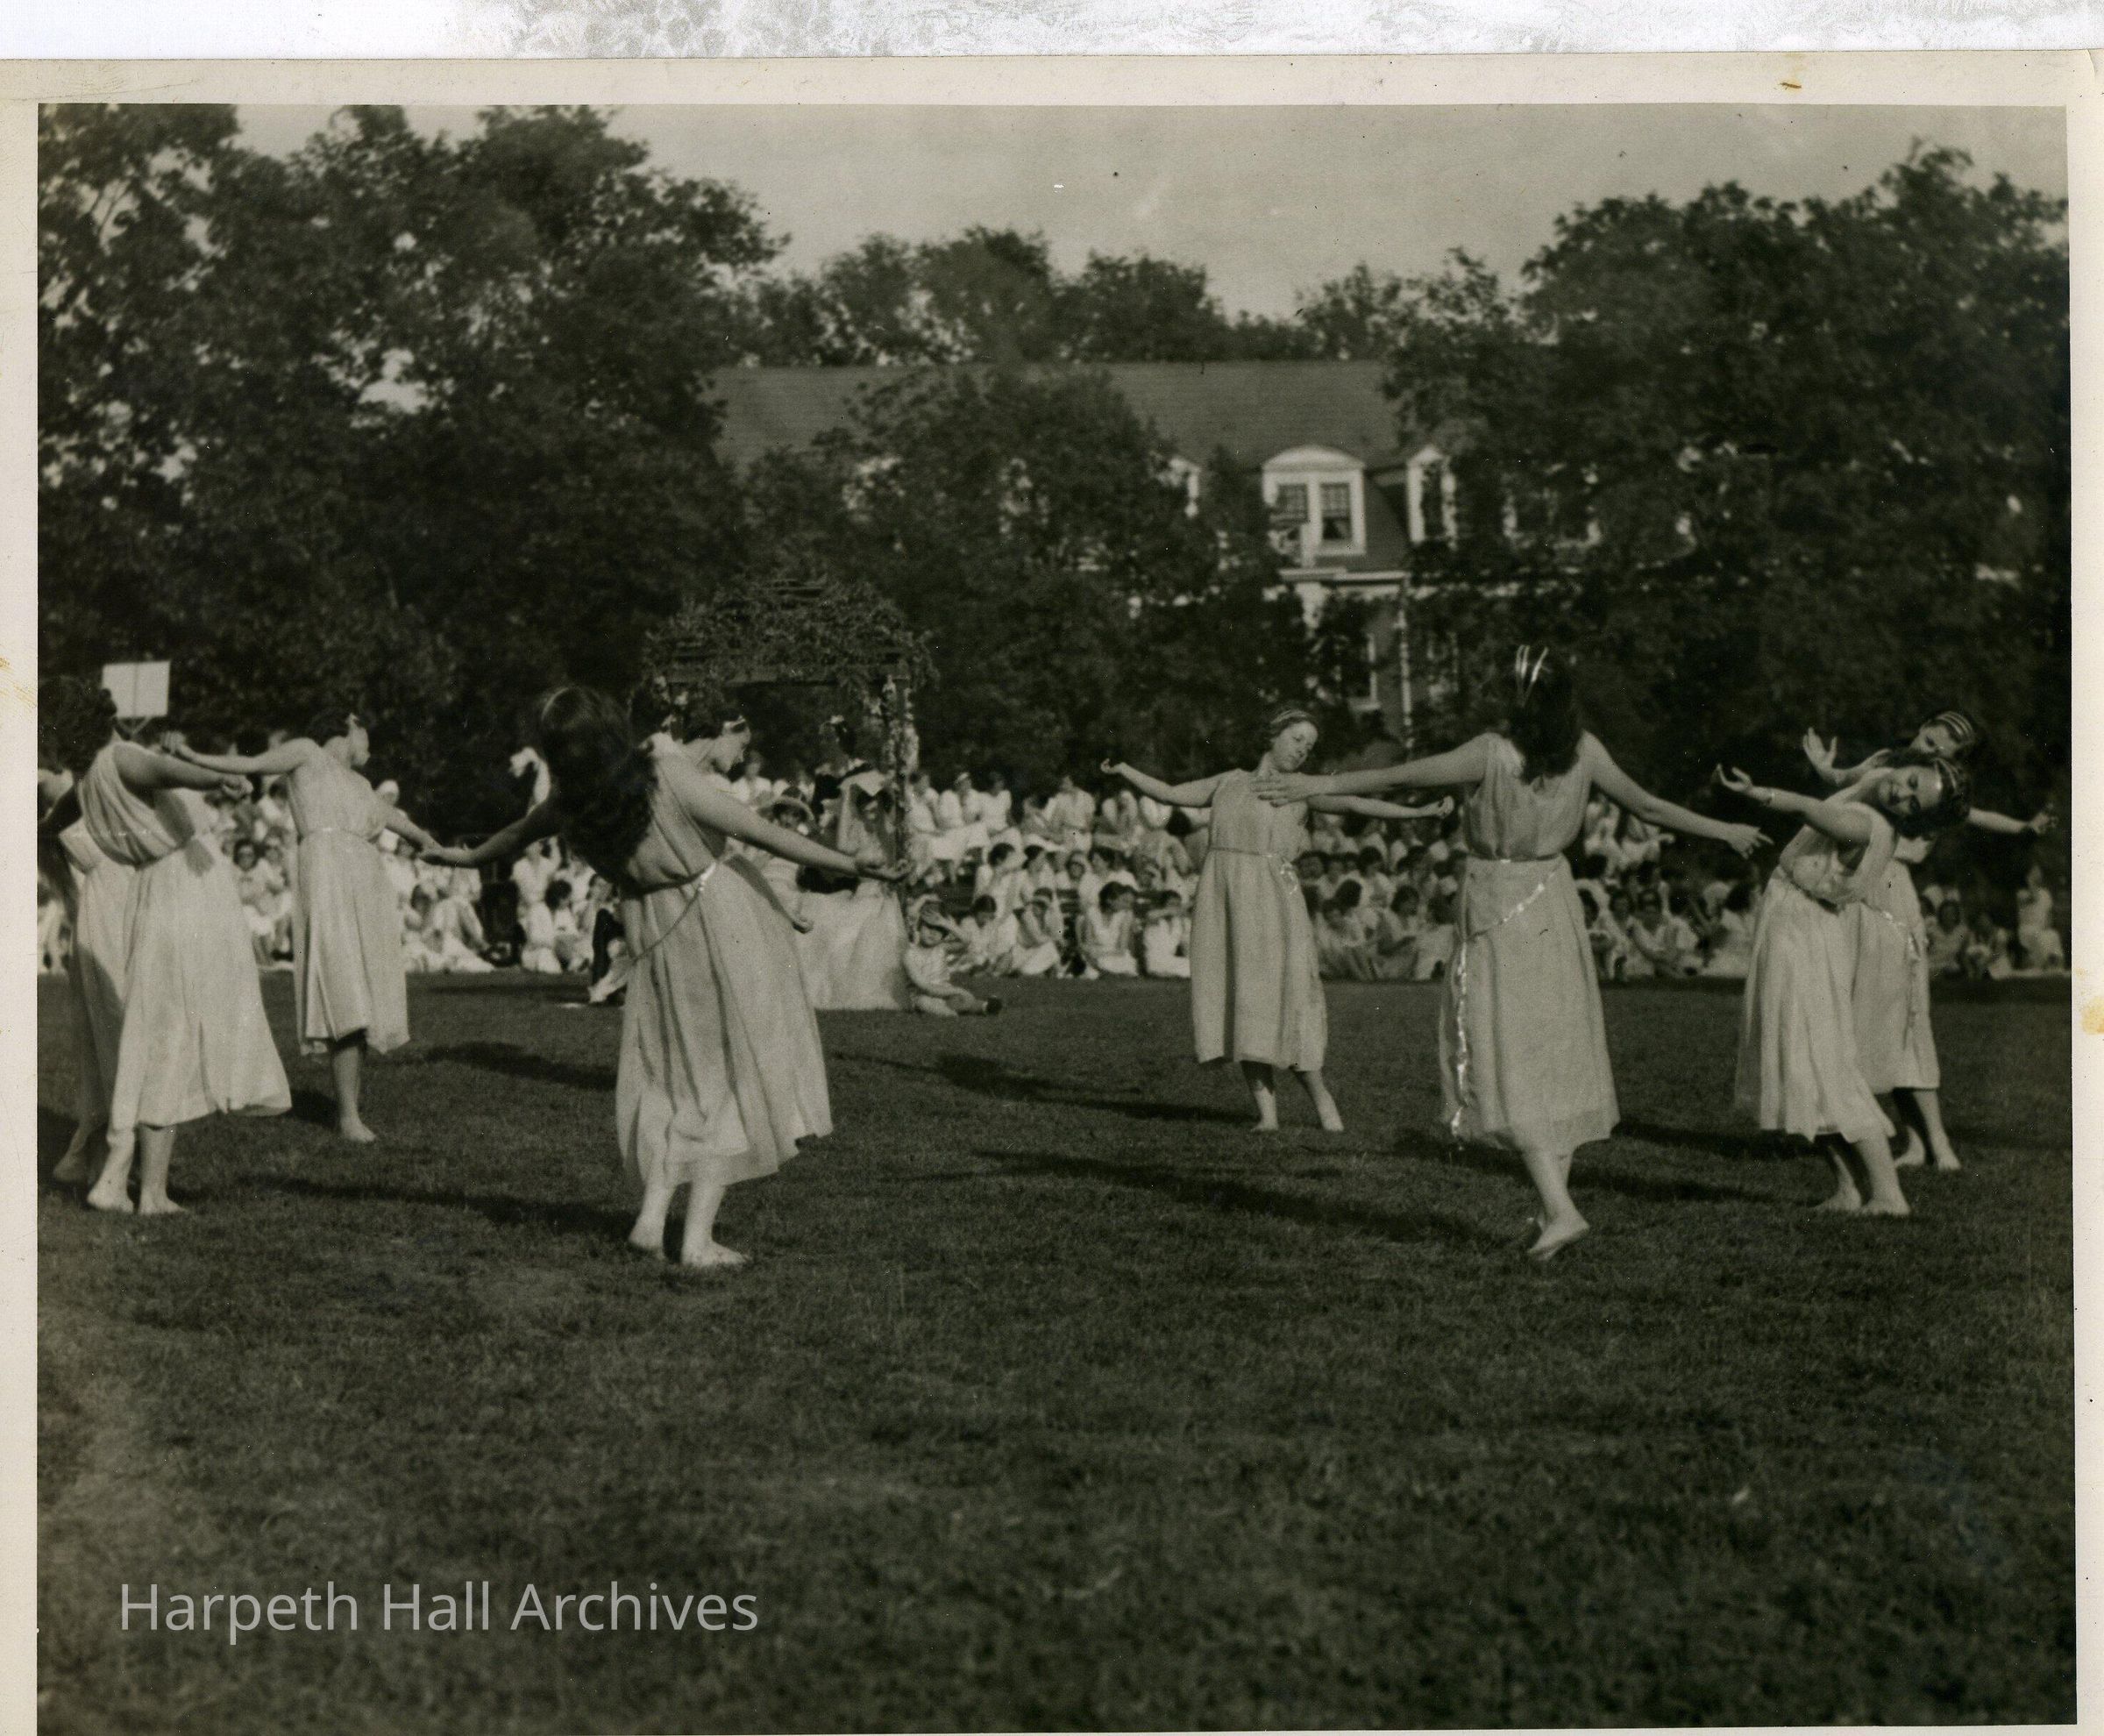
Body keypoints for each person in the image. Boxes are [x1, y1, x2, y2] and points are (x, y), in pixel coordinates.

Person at [1256, 647, 1763, 1258]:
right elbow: (1649, 806)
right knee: (1553, 1050)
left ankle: (1560, 1208)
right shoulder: (1584, 750)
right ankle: (1551, 1209)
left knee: (1505, 1050)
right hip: (1553, 898)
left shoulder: (1492, 752)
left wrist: (1318, 783)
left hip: (1499, 899)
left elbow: (1401, 776)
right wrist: (1725, 829)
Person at [426, 687, 897, 1268]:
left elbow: (512, 837)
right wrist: (851, 863)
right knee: (731, 1073)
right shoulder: (663, 776)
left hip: (654, 933)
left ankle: (652, 1221)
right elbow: (760, 831)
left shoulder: (574, 802)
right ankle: (696, 1240)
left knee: (676, 1076)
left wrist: (461, 858)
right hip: (716, 919)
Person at [1104, 713, 1452, 1135]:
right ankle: (1266, 1114)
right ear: (1274, 735)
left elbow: (1355, 804)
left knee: (1284, 998)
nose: (1303, 749)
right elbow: (1172, 792)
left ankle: (1320, 1097)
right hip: (1224, 898)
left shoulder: (1299, 788)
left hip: (1272, 900)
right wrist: (1125, 771)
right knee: (1242, 1000)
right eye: (1297, 738)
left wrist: (1418, 811)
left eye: (1310, 745)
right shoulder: (1229, 781)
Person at [40, 678, 289, 1213]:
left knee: (159, 1026)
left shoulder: (84, 783)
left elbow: (48, 828)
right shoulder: (121, 758)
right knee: (173, 1028)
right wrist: (224, 777)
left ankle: (123, 1174)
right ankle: (146, 1189)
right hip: (186, 885)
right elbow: (174, 772)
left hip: (152, 890)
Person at [1720, 753, 1970, 1219]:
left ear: (1913, 821)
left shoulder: (1865, 824)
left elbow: (1807, 809)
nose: (1902, 793)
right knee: (1797, 1065)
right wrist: (1832, 768)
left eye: (1914, 803)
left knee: (1824, 1066)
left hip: (1804, 932)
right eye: (1911, 781)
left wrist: (1756, 793)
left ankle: (1888, 1194)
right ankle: (1847, 1189)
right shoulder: (1877, 784)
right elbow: (1867, 776)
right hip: (1792, 922)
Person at [1803, 708, 2054, 1169]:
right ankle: (1915, 1143)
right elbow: (1846, 781)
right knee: (1877, 1020)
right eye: (1929, 739)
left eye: (1943, 751)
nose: (1929, 749)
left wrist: (2022, 827)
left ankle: (1936, 1144)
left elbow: (1974, 817)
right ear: (1920, 728)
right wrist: (1823, 766)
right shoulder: (1888, 763)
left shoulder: (1935, 790)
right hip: (1860, 889)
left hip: (1890, 891)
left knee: (1907, 1021)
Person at [176, 711, 437, 1144]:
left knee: (363, 990)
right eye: (365, 732)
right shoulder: (308, 753)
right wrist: (192, 755)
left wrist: (428, 841)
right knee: (343, 988)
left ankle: (349, 1110)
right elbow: (252, 764)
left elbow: (393, 819)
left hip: (365, 880)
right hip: (328, 875)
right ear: (350, 725)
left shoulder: (361, 784)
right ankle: (348, 1115)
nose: (369, 744)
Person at [903, 901, 1004, 1017]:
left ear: (944, 935)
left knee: (964, 1000)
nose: (933, 933)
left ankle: (985, 1007)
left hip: (946, 993)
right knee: (924, 1002)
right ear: (919, 927)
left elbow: (966, 941)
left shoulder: (941, 949)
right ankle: (951, 1014)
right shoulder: (910, 954)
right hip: (923, 995)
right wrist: (958, 991)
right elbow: (926, 987)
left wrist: (945, 923)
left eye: (939, 930)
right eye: (929, 927)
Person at [1078, 882, 1140, 978]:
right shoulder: (1091, 912)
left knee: (1125, 963)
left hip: (1115, 954)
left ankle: (1108, 973)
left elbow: (1122, 950)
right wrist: (1093, 953)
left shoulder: (1124, 915)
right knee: (1092, 970)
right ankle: (1106, 973)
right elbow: (1088, 942)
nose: (1124, 904)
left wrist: (1102, 954)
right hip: (1096, 952)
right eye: (1121, 900)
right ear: (1109, 900)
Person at [2016, 865, 2066, 973]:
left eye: (2039, 872)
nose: (2038, 874)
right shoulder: (2021, 894)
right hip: (2027, 929)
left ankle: (2058, 967)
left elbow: (2049, 914)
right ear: (2028, 875)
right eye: (2035, 872)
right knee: (2040, 937)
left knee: (2054, 935)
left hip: (2042, 929)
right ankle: (2043, 967)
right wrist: (2031, 883)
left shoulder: (2045, 893)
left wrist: (2047, 925)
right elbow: (2034, 898)